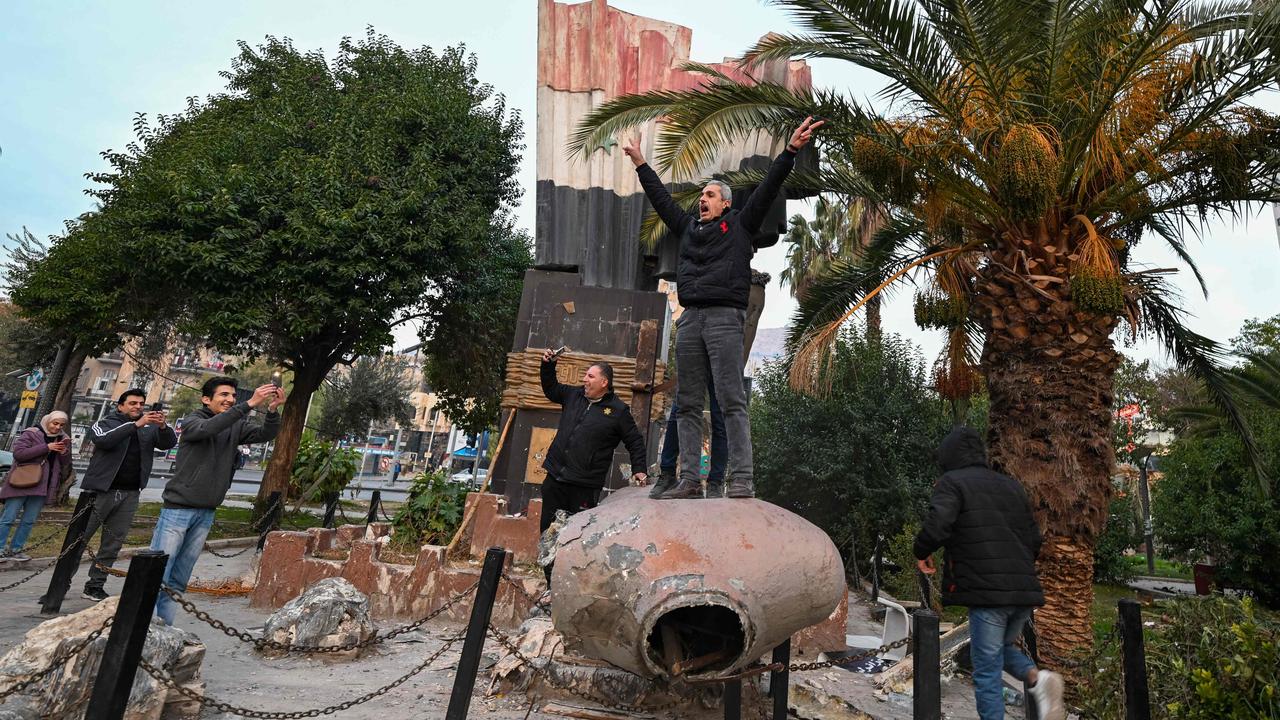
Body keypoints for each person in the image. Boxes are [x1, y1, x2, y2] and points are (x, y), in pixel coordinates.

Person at [623, 117, 823, 499]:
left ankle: (742, 478)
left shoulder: (742, 225)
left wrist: (791, 151)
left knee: (731, 399)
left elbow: (767, 188)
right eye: (702, 195)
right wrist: (640, 163)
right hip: (691, 320)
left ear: (726, 203)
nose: (703, 198)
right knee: (688, 404)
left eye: (711, 195)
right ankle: (689, 481)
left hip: (724, 319)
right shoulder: (688, 228)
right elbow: (662, 199)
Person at [913, 427, 1066, 720]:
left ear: (948, 457)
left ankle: (1035, 683)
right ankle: (1038, 679)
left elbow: (938, 524)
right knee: (994, 652)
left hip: (987, 593)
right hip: (1022, 590)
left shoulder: (952, 482)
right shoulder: (1011, 486)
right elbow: (1034, 540)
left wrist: (921, 551)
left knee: (986, 672)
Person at [151, 376, 283, 624]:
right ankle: (142, 629)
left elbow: (265, 433)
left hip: (206, 512)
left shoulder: (234, 425)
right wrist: (247, 405)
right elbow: (208, 429)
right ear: (206, 399)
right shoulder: (193, 421)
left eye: (233, 396)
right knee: (158, 574)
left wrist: (272, 411)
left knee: (179, 579)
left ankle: (164, 628)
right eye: (223, 395)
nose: (230, 400)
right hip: (177, 510)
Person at [539, 349, 647, 585]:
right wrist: (547, 365)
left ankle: (570, 586)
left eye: (589, 376)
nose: (584, 380)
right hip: (555, 479)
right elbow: (550, 388)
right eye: (585, 376)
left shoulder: (617, 411)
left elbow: (635, 441)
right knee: (548, 535)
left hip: (584, 486)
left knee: (576, 538)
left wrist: (640, 469)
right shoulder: (573, 396)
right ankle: (550, 586)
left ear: (604, 382)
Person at [75, 389, 177, 601]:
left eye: (141, 404)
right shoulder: (106, 422)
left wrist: (163, 426)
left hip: (130, 494)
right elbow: (103, 441)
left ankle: (95, 585)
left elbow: (168, 443)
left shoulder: (148, 428)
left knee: (112, 543)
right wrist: (135, 425)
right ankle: (60, 581)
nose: (138, 407)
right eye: (132, 403)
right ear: (120, 405)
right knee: (79, 538)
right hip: (100, 492)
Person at [0, 411, 71, 560]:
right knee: (8, 518)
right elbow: (19, 454)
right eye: (55, 423)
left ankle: (16, 549)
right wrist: (47, 447)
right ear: (48, 421)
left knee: (29, 521)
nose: (57, 427)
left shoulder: (63, 438)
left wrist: (64, 452)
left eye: (61, 425)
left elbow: (64, 464)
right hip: (21, 482)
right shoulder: (31, 433)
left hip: (42, 486)